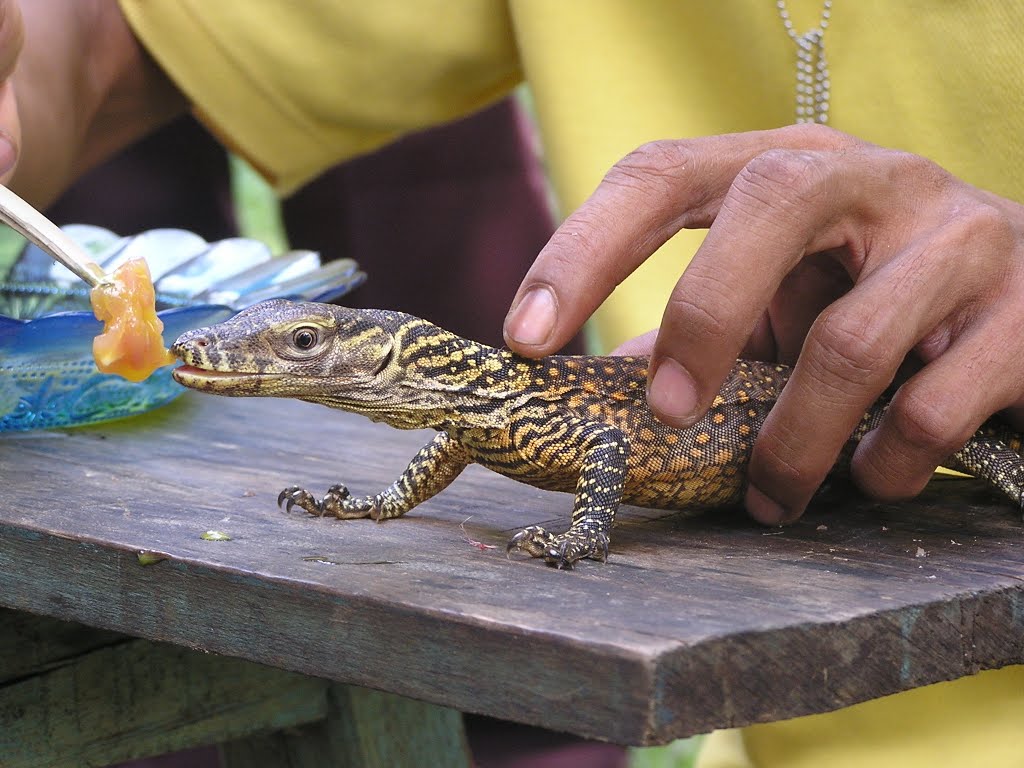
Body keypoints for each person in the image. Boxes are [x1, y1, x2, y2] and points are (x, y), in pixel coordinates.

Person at [3, 2, 1023, 766]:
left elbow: (610, 445)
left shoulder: (518, 417)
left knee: (957, 444)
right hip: (803, 704)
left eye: (307, 345)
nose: (276, 356)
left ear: (383, 352)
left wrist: (585, 535)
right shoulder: (474, 410)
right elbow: (95, 45)